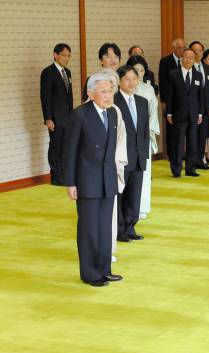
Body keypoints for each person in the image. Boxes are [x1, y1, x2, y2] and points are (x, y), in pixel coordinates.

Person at [63, 71, 124, 287]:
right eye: (104, 91)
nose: (109, 96)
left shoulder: (113, 114)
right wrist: (70, 182)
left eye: (111, 91)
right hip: (87, 180)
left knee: (105, 227)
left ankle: (104, 269)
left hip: (108, 179)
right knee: (89, 227)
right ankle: (89, 273)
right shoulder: (79, 115)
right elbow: (69, 151)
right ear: (91, 93)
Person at [114, 66, 149, 242]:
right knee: (120, 195)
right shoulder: (113, 101)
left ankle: (130, 227)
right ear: (119, 81)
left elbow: (144, 132)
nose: (131, 82)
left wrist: (144, 155)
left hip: (138, 157)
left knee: (134, 195)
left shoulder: (143, 102)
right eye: (127, 79)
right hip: (121, 158)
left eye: (134, 78)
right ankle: (119, 230)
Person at [126, 55, 160, 220]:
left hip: (144, 135)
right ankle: (129, 207)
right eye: (135, 70)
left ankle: (143, 207)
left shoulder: (148, 89)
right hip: (128, 137)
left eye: (141, 70)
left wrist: (150, 134)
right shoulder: (123, 89)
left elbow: (153, 113)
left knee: (144, 173)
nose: (139, 74)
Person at [165, 48, 204, 177]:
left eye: (191, 58)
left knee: (193, 142)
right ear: (182, 58)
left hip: (194, 114)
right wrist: (169, 113)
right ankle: (176, 170)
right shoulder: (173, 74)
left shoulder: (198, 75)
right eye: (186, 57)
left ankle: (191, 169)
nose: (188, 60)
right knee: (178, 143)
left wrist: (200, 114)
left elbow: (200, 96)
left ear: (194, 60)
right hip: (178, 114)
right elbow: (169, 95)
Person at [40, 43, 73, 185]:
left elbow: (69, 96)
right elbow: (45, 96)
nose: (66, 58)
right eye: (64, 55)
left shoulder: (68, 72)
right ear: (55, 55)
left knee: (66, 146)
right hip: (55, 117)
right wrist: (48, 118)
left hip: (67, 117)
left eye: (68, 56)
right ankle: (55, 177)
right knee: (55, 146)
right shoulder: (48, 72)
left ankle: (64, 175)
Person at [159, 38, 185, 160]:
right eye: (179, 48)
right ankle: (170, 153)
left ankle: (181, 153)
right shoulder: (165, 61)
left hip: (183, 101)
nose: (182, 50)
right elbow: (163, 82)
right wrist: (164, 101)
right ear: (173, 48)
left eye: (184, 47)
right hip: (170, 100)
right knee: (171, 128)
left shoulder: (186, 61)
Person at [190, 41, 209, 169]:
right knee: (192, 136)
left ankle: (200, 160)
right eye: (194, 50)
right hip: (193, 108)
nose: (197, 53)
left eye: (199, 50)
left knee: (202, 136)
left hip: (205, 108)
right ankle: (192, 161)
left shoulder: (206, 67)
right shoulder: (188, 67)